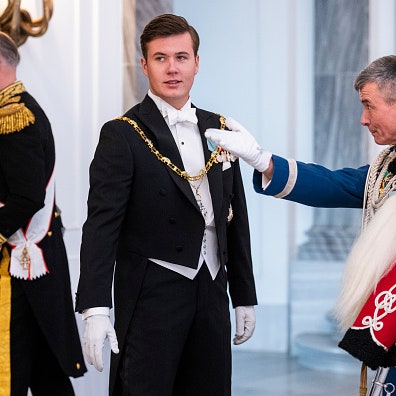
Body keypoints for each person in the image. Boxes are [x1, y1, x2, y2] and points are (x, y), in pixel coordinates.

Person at [75, 13, 257, 396]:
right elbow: (101, 226)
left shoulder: (221, 127)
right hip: (152, 293)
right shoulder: (122, 134)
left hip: (211, 287)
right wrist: (95, 306)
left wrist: (243, 295)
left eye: (181, 57)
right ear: (144, 65)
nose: (172, 68)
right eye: (160, 58)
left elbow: (233, 217)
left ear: (196, 62)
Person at [205, 54, 396, 395]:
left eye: (369, 106)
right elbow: (335, 184)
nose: (362, 119)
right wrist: (262, 159)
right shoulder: (387, 165)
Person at [0, 32, 86, 395]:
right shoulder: (14, 109)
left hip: (23, 262)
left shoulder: (14, 115)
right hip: (31, 263)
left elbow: (25, 197)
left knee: (17, 367)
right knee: (44, 368)